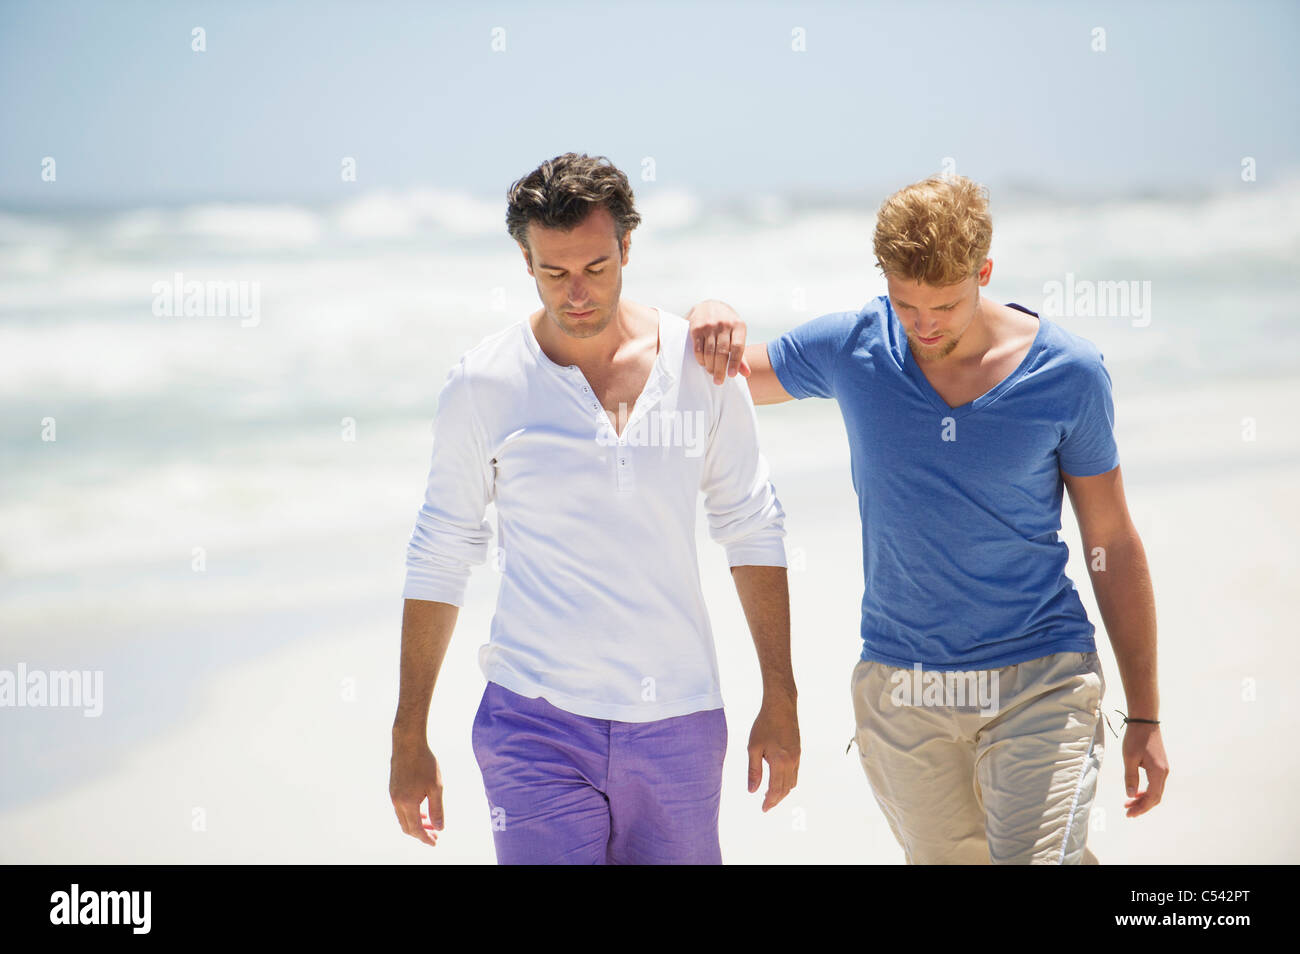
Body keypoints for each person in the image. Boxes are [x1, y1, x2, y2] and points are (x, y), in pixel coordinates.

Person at [686, 174, 1168, 864]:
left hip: (1041, 678)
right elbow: (728, 375)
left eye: (945, 303)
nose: (925, 325)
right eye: (906, 303)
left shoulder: (1067, 374)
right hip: (902, 689)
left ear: (985, 272)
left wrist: (1145, 715)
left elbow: (1112, 543)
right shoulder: (856, 348)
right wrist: (711, 309)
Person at [389, 152, 799, 865]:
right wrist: (408, 736)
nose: (576, 292)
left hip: (679, 718)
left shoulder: (702, 366)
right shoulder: (484, 383)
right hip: (532, 723)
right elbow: (442, 551)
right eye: (554, 272)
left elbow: (751, 524)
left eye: (596, 269)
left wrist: (781, 695)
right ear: (525, 262)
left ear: (627, 248)